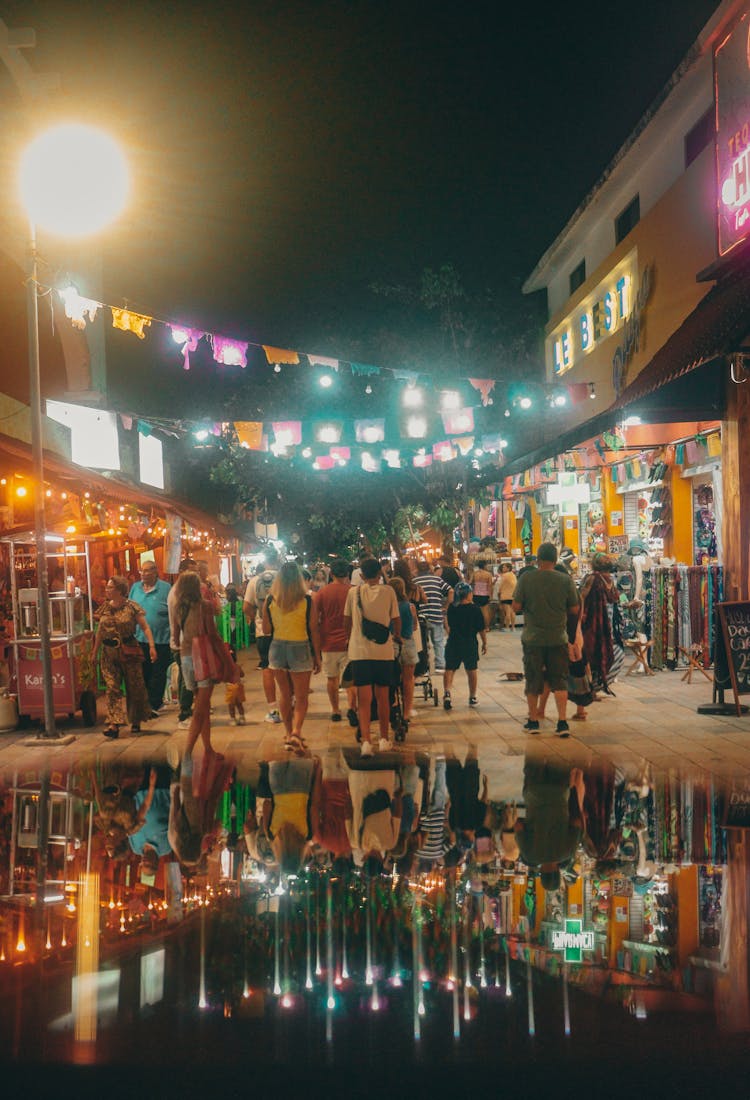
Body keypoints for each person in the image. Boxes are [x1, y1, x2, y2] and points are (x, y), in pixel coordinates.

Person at [512, 541, 580, 736]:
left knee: (533, 680)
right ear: (555, 559)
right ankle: (562, 723)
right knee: (559, 681)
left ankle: (533, 721)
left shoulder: (527, 579)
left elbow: (516, 607)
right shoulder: (565, 580)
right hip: (558, 637)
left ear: (538, 559)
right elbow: (575, 608)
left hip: (533, 638)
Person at [344, 556, 401, 756]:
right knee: (383, 697)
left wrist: (348, 639)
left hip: (360, 652)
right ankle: (384, 738)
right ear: (380, 573)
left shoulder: (353, 592)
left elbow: (347, 621)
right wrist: (397, 637)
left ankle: (367, 741)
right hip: (383, 652)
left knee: (364, 699)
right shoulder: (389, 591)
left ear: (361, 575)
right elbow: (396, 620)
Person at [262, 561, 321, 752]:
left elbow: (266, 629)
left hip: (277, 647)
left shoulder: (271, 600)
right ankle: (296, 731)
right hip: (300, 647)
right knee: (302, 696)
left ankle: (288, 734)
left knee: (284, 694)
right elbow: (313, 629)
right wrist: (317, 656)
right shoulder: (307, 600)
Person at [93, 575, 156, 739]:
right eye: (107, 587)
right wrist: (95, 652)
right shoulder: (104, 608)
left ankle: (136, 719)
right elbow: (100, 632)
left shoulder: (132, 607)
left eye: (110, 587)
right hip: (108, 652)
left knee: (134, 686)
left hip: (128, 651)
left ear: (120, 590)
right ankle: (114, 724)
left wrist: (151, 646)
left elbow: (145, 627)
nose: (106, 590)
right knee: (112, 687)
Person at [171, 570, 221, 763]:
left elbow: (176, 637)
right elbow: (213, 634)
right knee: (201, 708)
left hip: (185, 657)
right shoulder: (205, 607)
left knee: (203, 704)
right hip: (203, 657)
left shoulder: (178, 608)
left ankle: (208, 748)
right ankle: (188, 751)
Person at [515, 756, 586, 890]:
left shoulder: (567, 852)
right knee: (534, 757)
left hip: (559, 795)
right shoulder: (529, 854)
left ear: (558, 873)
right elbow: (518, 825)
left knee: (558, 756)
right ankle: (534, 736)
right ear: (541, 874)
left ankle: (560, 737)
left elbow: (576, 822)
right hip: (534, 794)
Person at [314, 557, 357, 723]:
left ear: (331, 574)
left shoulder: (322, 593)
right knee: (351, 679)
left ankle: (335, 710)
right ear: (347, 573)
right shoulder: (354, 591)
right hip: (351, 642)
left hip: (328, 642)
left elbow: (315, 619)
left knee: (332, 679)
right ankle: (352, 708)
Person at [129, 559, 172, 717]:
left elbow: (172, 610)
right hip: (139, 638)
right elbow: (130, 607)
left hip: (161, 638)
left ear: (155, 572)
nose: (144, 574)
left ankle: (154, 704)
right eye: (142, 571)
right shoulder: (135, 588)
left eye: (147, 571)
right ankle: (145, 703)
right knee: (143, 671)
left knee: (158, 672)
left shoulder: (165, 588)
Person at [243, 547, 281, 724]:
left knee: (267, 669)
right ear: (278, 559)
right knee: (286, 668)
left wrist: (257, 618)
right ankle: (291, 702)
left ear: (264, 561)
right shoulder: (285, 579)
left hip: (262, 632)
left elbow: (246, 607)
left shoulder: (254, 581)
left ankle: (273, 710)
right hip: (285, 630)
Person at [579, 552, 624, 696]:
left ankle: (593, 688)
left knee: (599, 654)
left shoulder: (599, 579)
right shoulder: (599, 580)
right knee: (596, 654)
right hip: (596, 624)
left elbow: (581, 597)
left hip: (599, 625)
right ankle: (591, 689)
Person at [442, 581, 487, 709]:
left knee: (450, 668)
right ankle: (472, 697)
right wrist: (484, 643)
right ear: (468, 594)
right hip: (469, 642)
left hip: (454, 641)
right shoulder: (475, 609)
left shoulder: (452, 608)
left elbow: (449, 624)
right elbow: (481, 629)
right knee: (471, 670)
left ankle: (447, 693)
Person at [168, 557, 200, 731]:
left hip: (185, 644)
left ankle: (189, 710)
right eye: (192, 571)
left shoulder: (183, 594)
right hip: (184, 645)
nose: (196, 574)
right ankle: (184, 713)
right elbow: (176, 625)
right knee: (187, 680)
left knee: (186, 678)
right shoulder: (177, 595)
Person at [413, 559, 453, 672]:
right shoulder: (437, 579)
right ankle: (440, 666)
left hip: (421, 616)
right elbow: (451, 591)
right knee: (438, 641)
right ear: (429, 569)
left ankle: (424, 667)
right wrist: (446, 606)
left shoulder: (414, 581)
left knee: (423, 644)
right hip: (436, 614)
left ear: (417, 570)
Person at [388, 575, 419, 719]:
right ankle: (407, 710)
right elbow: (414, 626)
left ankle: (393, 704)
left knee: (391, 677)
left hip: (390, 644)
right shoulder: (410, 607)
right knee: (408, 679)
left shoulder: (386, 607)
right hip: (407, 643)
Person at [469, 558, 493, 628]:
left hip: (475, 595)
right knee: (485, 612)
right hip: (485, 595)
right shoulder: (488, 574)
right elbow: (490, 586)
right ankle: (487, 627)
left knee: (475, 612)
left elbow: (470, 583)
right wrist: (490, 596)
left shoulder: (474, 573)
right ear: (484, 565)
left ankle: (476, 626)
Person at [225, 645, 246, 724]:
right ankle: (242, 717)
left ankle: (233, 718)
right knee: (239, 704)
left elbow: (225, 677)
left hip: (230, 687)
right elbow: (242, 674)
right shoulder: (237, 666)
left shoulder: (227, 668)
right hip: (239, 686)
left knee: (231, 705)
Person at [498, 562, 517, 629]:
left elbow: (501, 586)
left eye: (504, 567)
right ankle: (513, 627)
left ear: (508, 568)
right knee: (512, 612)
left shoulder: (504, 575)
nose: (503, 568)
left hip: (505, 596)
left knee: (507, 612)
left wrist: (499, 592)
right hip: (513, 596)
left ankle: (507, 627)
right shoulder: (513, 575)